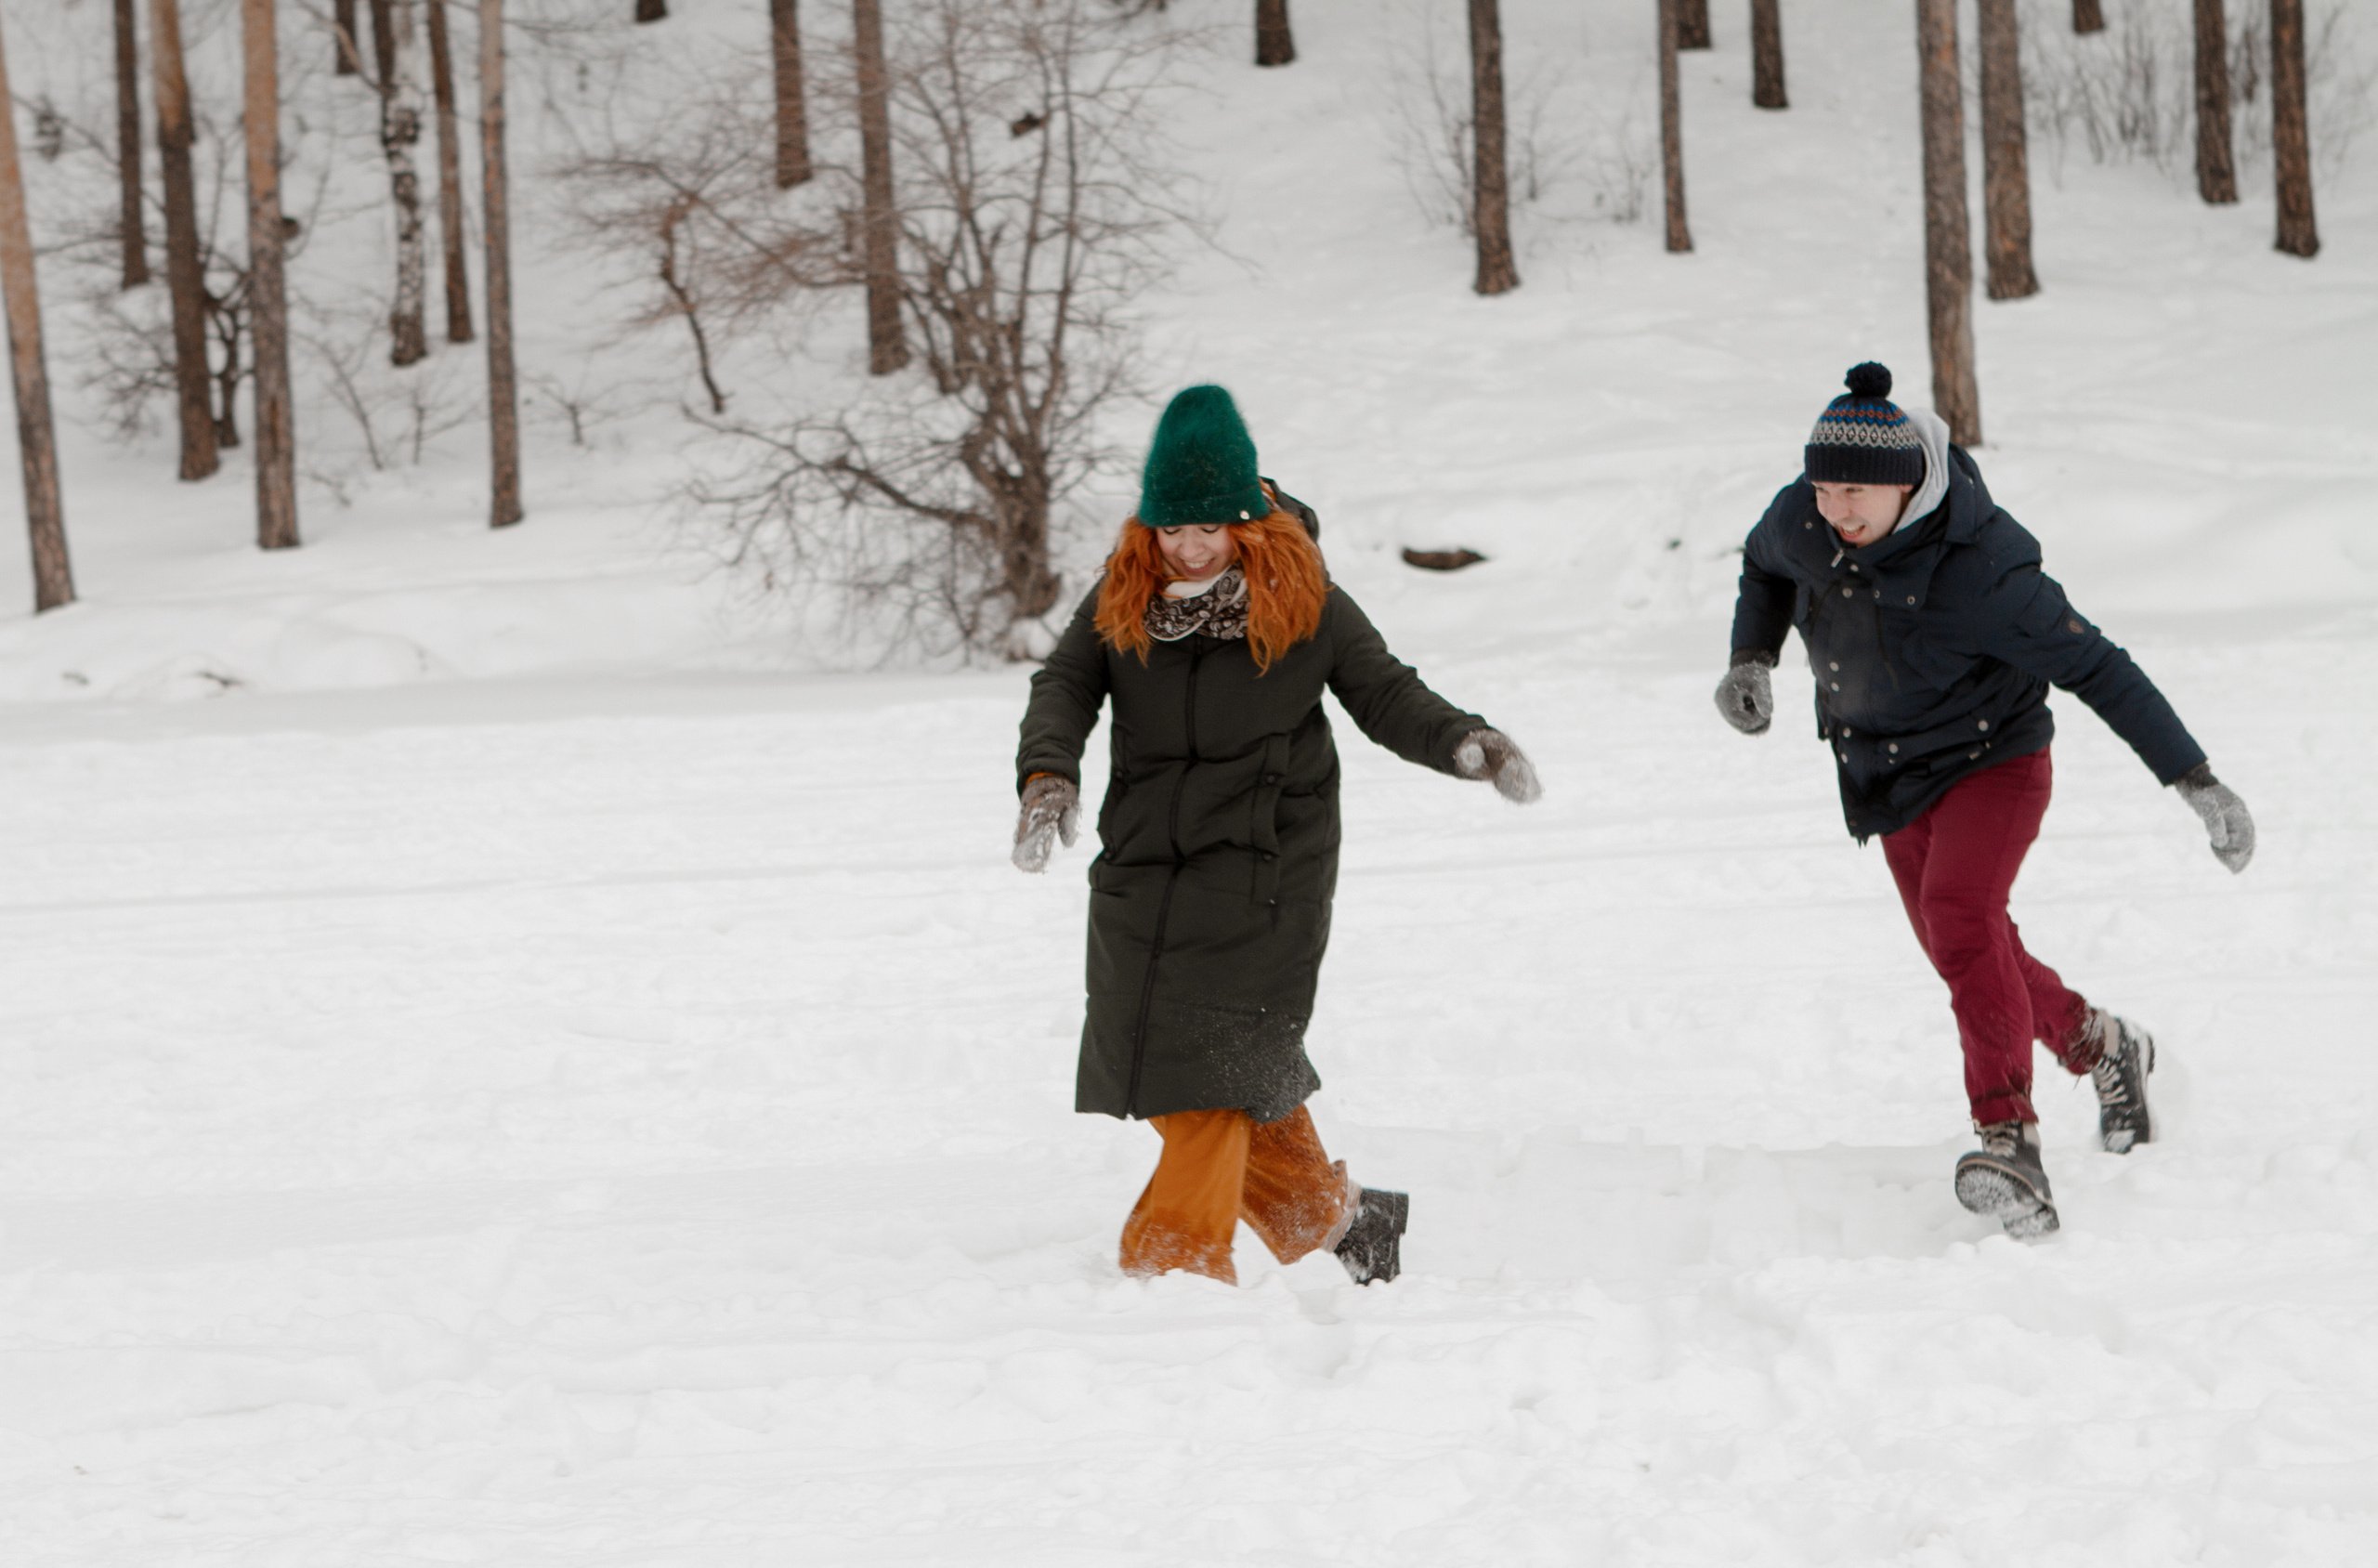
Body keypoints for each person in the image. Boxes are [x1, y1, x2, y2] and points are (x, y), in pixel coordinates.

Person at [1013, 385, 1542, 1287]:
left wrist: (1466, 742)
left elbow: (1383, 689)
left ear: (1246, 518)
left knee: (1210, 1078)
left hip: (1265, 874)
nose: (1187, 545)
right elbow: (1064, 682)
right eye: (1171, 527)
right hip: (1143, 868)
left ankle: (1167, 1271)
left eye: (1207, 527)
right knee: (1208, 1072)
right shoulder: (1125, 590)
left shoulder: (1302, 596)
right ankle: (1343, 1221)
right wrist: (1048, 775)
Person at [1714, 362, 2255, 1240]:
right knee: (1971, 949)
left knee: (1963, 919)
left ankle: (2011, 1144)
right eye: (1822, 489)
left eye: (1853, 492)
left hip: (1991, 761)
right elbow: (1763, 566)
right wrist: (1752, 657)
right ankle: (2107, 1047)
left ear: (1904, 484)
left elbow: (2098, 666)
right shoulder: (1804, 521)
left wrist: (2196, 781)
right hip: (1883, 773)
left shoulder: (1985, 569)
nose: (1835, 510)